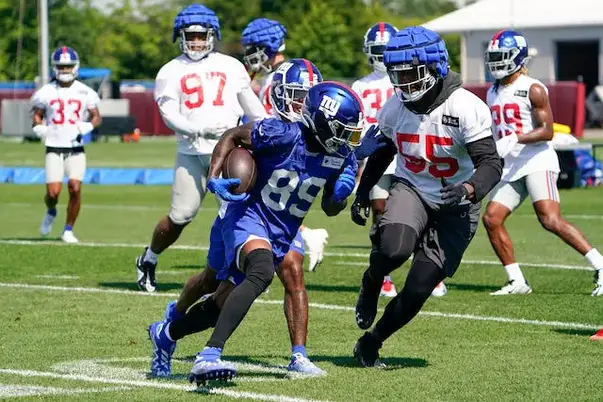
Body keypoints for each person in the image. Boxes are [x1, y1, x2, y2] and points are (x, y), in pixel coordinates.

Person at [150, 81, 363, 384]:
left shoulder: (341, 155)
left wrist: (340, 194)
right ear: (320, 122)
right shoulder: (283, 134)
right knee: (261, 272)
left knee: (218, 306)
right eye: (341, 129)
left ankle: (165, 333)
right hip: (248, 214)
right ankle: (209, 355)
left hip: (282, 229)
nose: (346, 138)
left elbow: (330, 207)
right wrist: (213, 177)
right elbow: (232, 136)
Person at [350, 26, 503, 367]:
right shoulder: (394, 107)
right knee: (394, 249)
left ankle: (372, 341)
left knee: (420, 288)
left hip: (458, 199)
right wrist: (363, 191)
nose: (403, 82)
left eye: (410, 72)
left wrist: (468, 189)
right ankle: (371, 281)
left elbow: (491, 163)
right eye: (397, 74)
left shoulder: (465, 106)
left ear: (435, 67)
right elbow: (382, 154)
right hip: (414, 188)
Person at [134, 4, 267, 292]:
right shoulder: (170, 70)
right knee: (181, 215)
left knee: (238, 213)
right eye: (190, 35)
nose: (195, 41)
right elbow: (168, 113)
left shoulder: (231, 66)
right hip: (192, 152)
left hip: (230, 149)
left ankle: (245, 273)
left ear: (212, 35)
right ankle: (149, 258)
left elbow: (252, 106)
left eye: (200, 35)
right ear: (180, 36)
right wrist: (194, 128)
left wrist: (268, 128)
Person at [482, 29, 603, 296]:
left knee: (549, 219)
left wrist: (514, 139)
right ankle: (517, 281)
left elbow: (546, 131)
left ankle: (600, 265)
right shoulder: (492, 92)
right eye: (493, 57)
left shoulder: (532, 88)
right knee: (492, 218)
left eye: (501, 56)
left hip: (537, 160)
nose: (496, 63)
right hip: (511, 165)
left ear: (517, 56)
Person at [242, 17, 329, 271]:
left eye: (252, 48)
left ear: (266, 45)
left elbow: (275, 122)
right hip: (287, 149)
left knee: (262, 209)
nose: (249, 54)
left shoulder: (280, 78)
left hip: (283, 150)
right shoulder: (275, 75)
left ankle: (298, 241)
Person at [34, 46, 102, 244]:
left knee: (74, 187)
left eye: (68, 66)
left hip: (75, 148)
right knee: (53, 193)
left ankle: (68, 229)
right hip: (54, 146)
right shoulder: (46, 92)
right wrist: (38, 126)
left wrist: (89, 125)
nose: (65, 70)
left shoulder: (85, 91)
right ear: (55, 68)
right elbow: (37, 115)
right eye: (61, 67)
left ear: (75, 67)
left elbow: (96, 116)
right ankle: (51, 210)